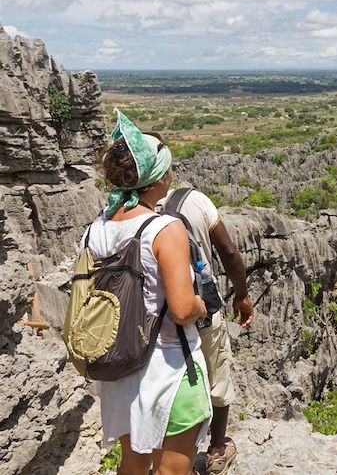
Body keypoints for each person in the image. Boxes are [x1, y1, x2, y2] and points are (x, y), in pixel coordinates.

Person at [86, 111, 211, 475]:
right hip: (170, 369)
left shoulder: (97, 228)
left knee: (133, 465)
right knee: (172, 470)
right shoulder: (163, 228)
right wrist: (204, 306)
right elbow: (183, 309)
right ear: (158, 177)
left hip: (120, 368)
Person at [159, 187, 254, 475]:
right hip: (200, 311)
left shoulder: (133, 208)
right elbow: (229, 251)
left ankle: (166, 455)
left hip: (158, 319)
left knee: (168, 385)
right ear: (164, 170)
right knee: (217, 376)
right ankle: (216, 450)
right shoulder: (194, 200)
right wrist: (241, 295)